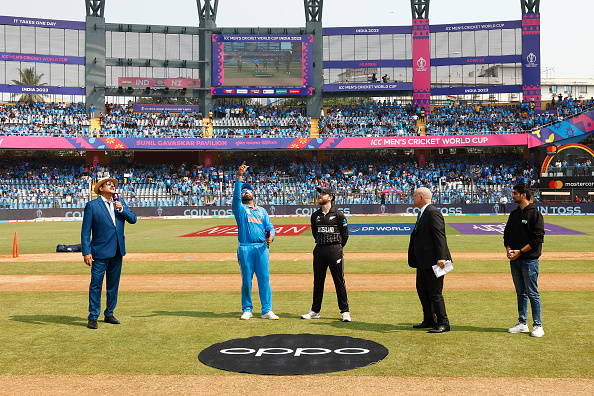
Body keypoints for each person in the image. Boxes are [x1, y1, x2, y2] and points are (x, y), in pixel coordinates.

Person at [81, 176, 137, 329]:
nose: (113, 186)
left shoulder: (121, 203)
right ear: (101, 188)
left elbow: (133, 219)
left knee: (113, 284)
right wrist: (86, 252)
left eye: (113, 184)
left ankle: (109, 313)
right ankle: (93, 316)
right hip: (99, 251)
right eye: (109, 184)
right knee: (96, 285)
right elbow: (85, 231)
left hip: (118, 250)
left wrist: (122, 209)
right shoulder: (92, 205)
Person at [232, 162, 278, 320]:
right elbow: (237, 197)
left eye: (248, 190)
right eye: (243, 191)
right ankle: (247, 309)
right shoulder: (240, 210)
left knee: (264, 279)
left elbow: (270, 226)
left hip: (262, 248)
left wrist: (271, 235)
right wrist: (239, 177)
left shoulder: (262, 211)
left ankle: (267, 310)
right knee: (247, 280)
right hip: (245, 247)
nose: (246, 192)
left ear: (253, 194)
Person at [301, 187, 351, 322]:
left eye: (323, 194)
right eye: (320, 194)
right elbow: (314, 233)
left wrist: (338, 248)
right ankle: (315, 311)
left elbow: (345, 235)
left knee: (339, 281)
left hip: (334, 250)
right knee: (318, 281)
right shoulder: (315, 215)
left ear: (330, 197)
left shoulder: (339, 215)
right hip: (319, 250)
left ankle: (345, 311)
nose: (320, 196)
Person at [504, 183, 545, 337]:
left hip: (529, 261)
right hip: (515, 260)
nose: (512, 195)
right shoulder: (514, 214)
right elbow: (506, 235)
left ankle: (538, 325)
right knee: (520, 293)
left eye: (515, 193)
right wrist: (509, 250)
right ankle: (522, 323)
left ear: (523, 195)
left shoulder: (535, 214)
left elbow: (538, 239)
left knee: (532, 293)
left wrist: (520, 252)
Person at [408, 187, 451, 333]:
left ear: (421, 197)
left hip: (434, 261)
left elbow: (440, 236)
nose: (412, 198)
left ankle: (443, 322)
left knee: (435, 293)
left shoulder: (432, 213)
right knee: (422, 291)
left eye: (414, 195)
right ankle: (429, 320)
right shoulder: (423, 213)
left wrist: (441, 257)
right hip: (423, 261)